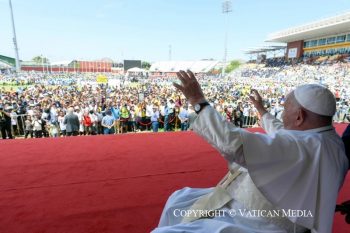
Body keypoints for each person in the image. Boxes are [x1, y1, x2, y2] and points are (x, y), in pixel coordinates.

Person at [152, 70, 349, 233]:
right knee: (179, 199)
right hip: (258, 209)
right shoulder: (329, 141)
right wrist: (262, 112)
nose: (281, 113)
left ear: (299, 117)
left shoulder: (301, 145)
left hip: (258, 222)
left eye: (285, 108)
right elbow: (283, 134)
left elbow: (234, 143)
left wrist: (198, 101)